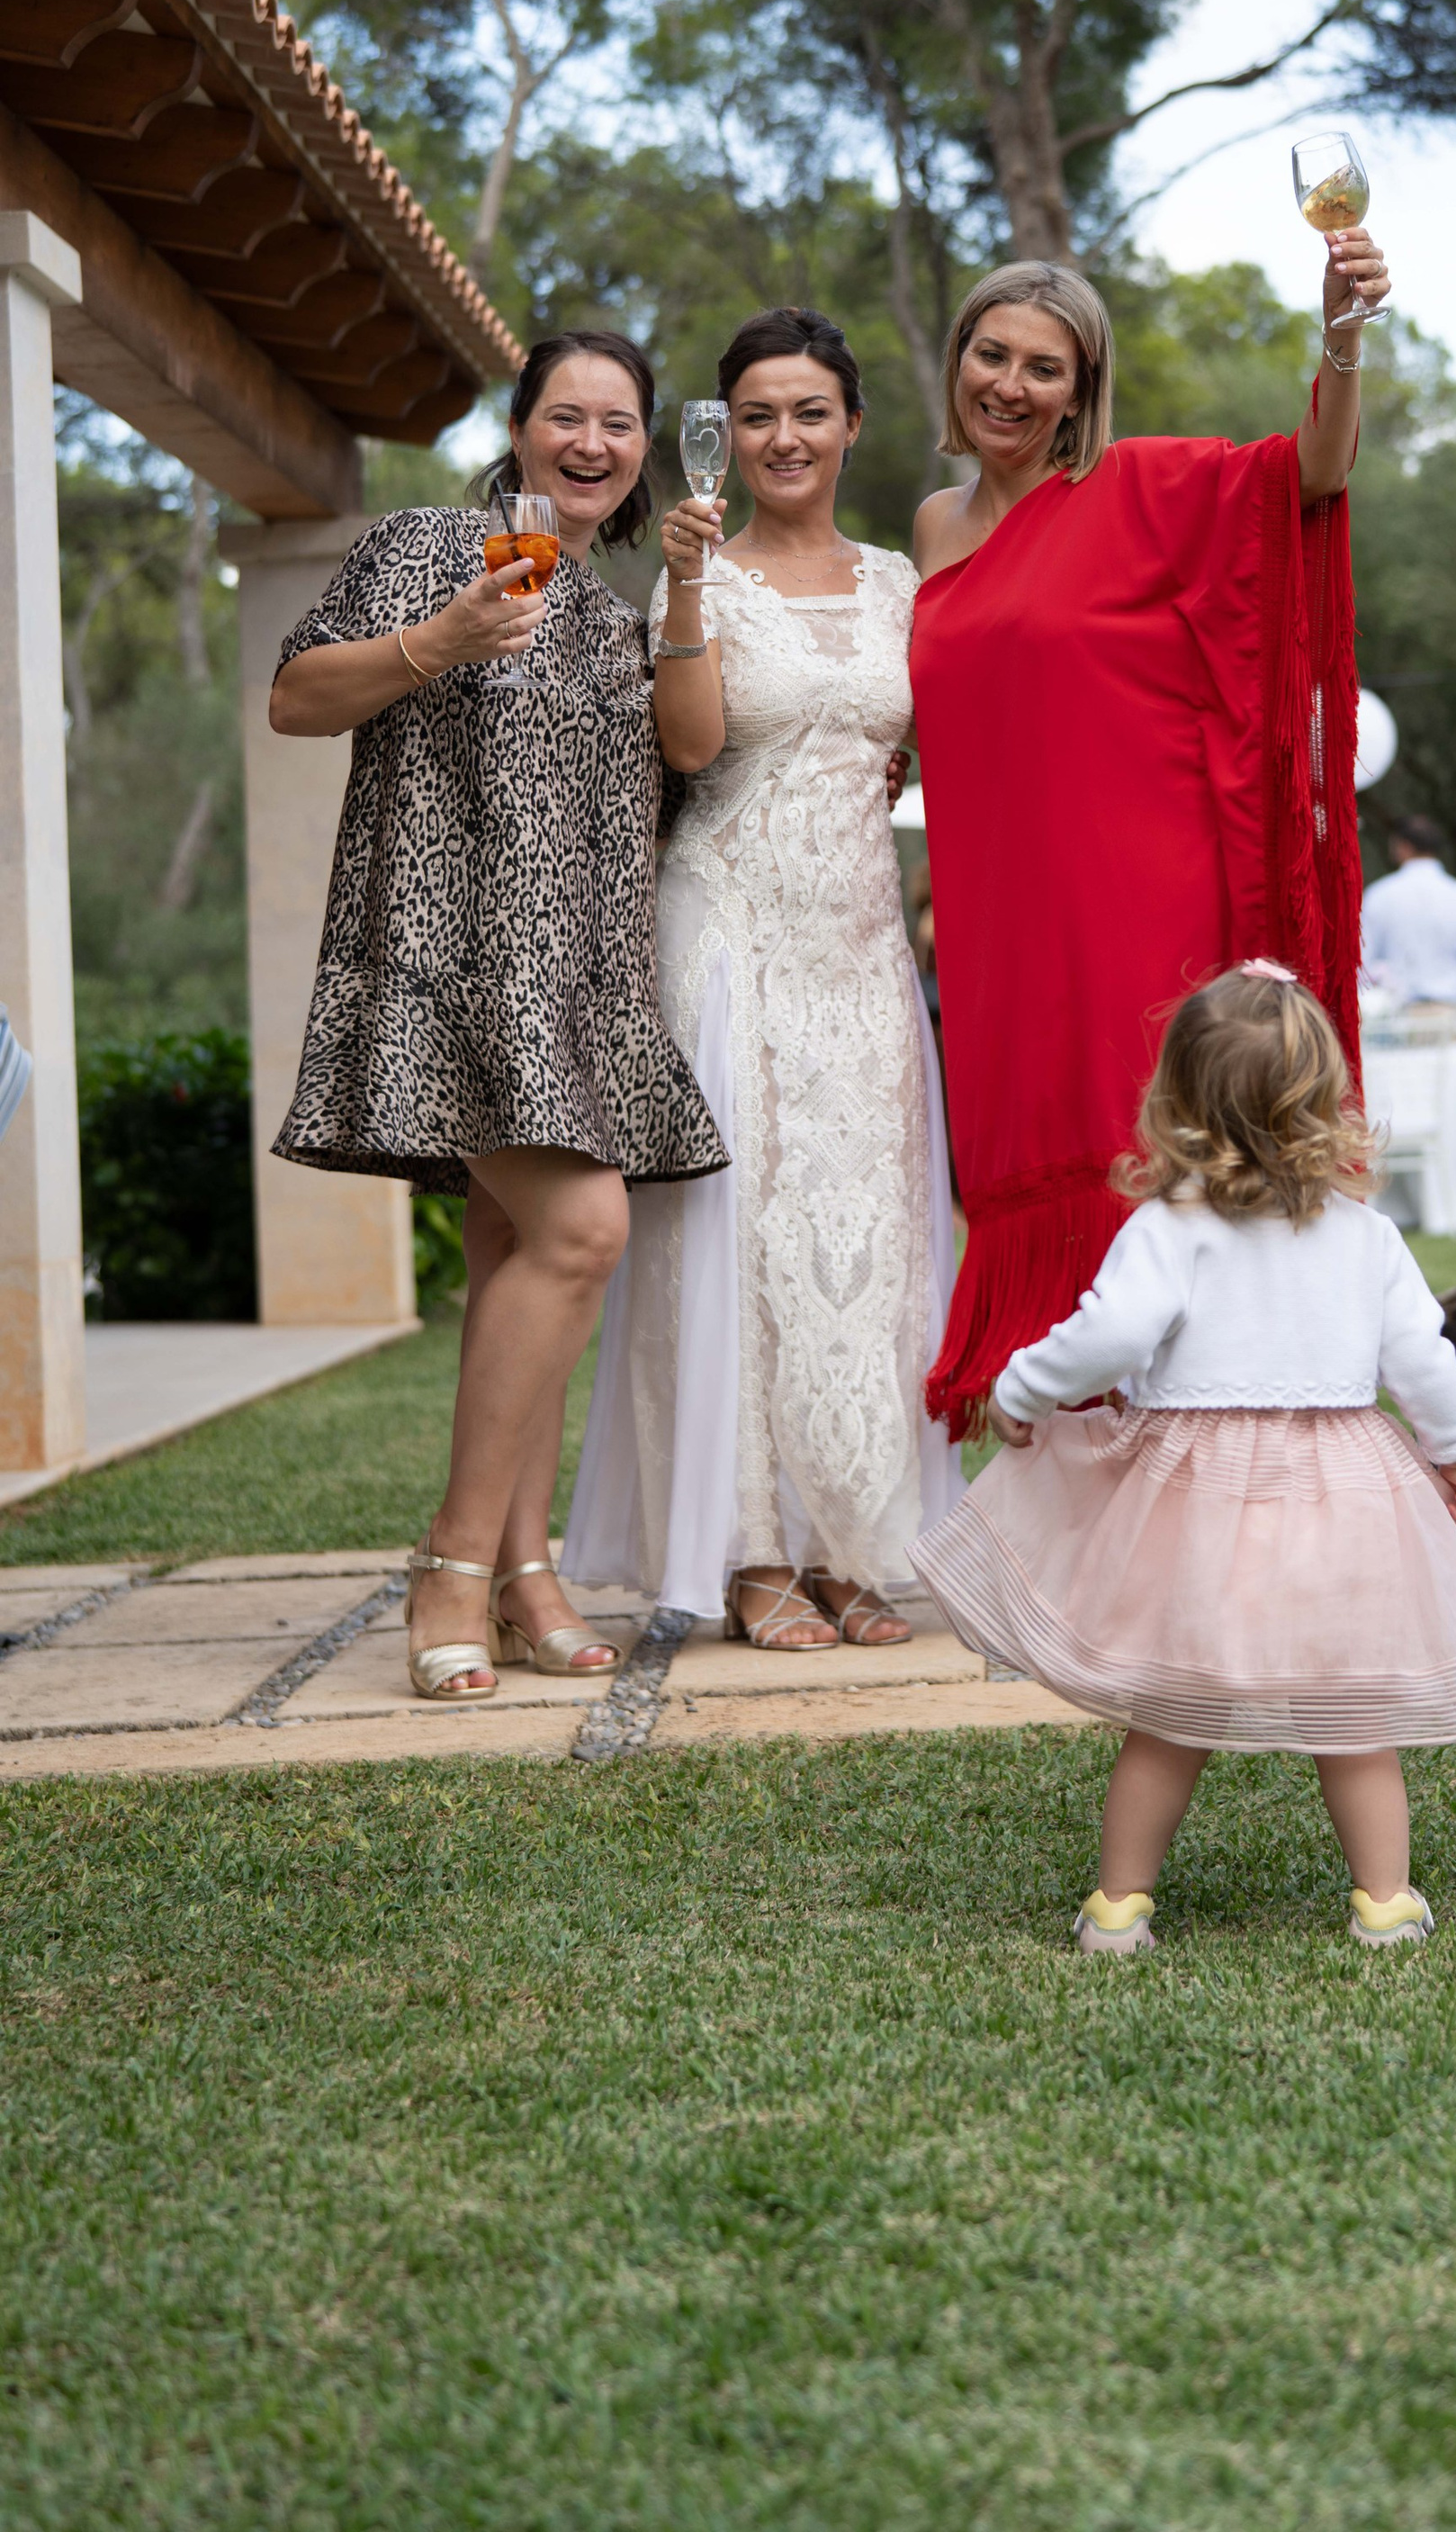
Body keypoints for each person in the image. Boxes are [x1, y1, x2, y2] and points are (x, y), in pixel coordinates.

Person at [911, 964, 1456, 1954]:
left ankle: (1119, 1907)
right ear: (1328, 1101)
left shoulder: (1169, 1232)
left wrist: (1023, 1389)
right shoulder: (1365, 1236)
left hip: (1196, 1502)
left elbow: (1110, 1333)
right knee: (1352, 1714)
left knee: (1171, 1714)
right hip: (1342, 1497)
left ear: (1179, 1103)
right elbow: (1422, 1356)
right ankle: (1384, 1903)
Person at [269, 329, 725, 1702]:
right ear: (520, 430)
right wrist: (440, 640)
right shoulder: (427, 546)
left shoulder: (614, 618)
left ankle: (527, 1577)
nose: (593, 443)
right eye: (565, 416)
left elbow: (680, 767)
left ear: (645, 451)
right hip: (445, 968)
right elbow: (296, 696)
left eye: (620, 424)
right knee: (583, 1231)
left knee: (523, 1250)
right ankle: (454, 1564)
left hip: (576, 991)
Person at [907, 230, 1384, 1434]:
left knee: (1141, 1142)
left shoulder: (1133, 487)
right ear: (958, 361)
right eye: (991, 355)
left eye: (1045, 369)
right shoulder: (932, 528)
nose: (1011, 386)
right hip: (1001, 915)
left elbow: (1312, 471)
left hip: (1136, 893)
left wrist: (1340, 331)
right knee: (1027, 1149)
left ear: (1082, 392)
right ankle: (1081, 1440)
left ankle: (1200, 1426)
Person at [565, 309, 958, 1652]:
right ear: (723, 435)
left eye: (808, 412)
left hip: (862, 944)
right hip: (728, 932)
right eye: (756, 415)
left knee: (866, 1237)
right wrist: (681, 589)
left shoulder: (901, 581)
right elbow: (687, 749)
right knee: (732, 1242)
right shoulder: (704, 579)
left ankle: (853, 1542)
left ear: (851, 426)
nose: (783, 436)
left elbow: (929, 734)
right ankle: (751, 1553)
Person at [1361, 813, 1456, 1005]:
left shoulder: (1379, 895)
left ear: (1403, 847)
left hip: (1397, 1009)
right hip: (1452, 1008)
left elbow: (1363, 960)